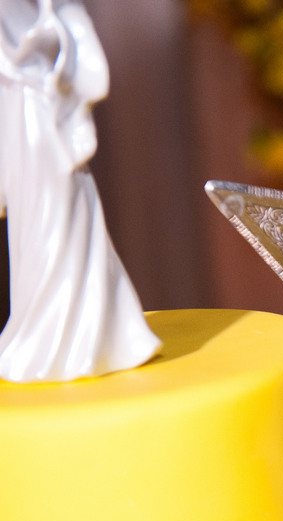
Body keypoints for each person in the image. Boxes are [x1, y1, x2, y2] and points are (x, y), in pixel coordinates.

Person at [0, 0, 159, 383]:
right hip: (19, 115)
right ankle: (43, 328)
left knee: (57, 217)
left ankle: (74, 335)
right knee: (32, 227)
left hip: (41, 114)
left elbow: (64, 30)